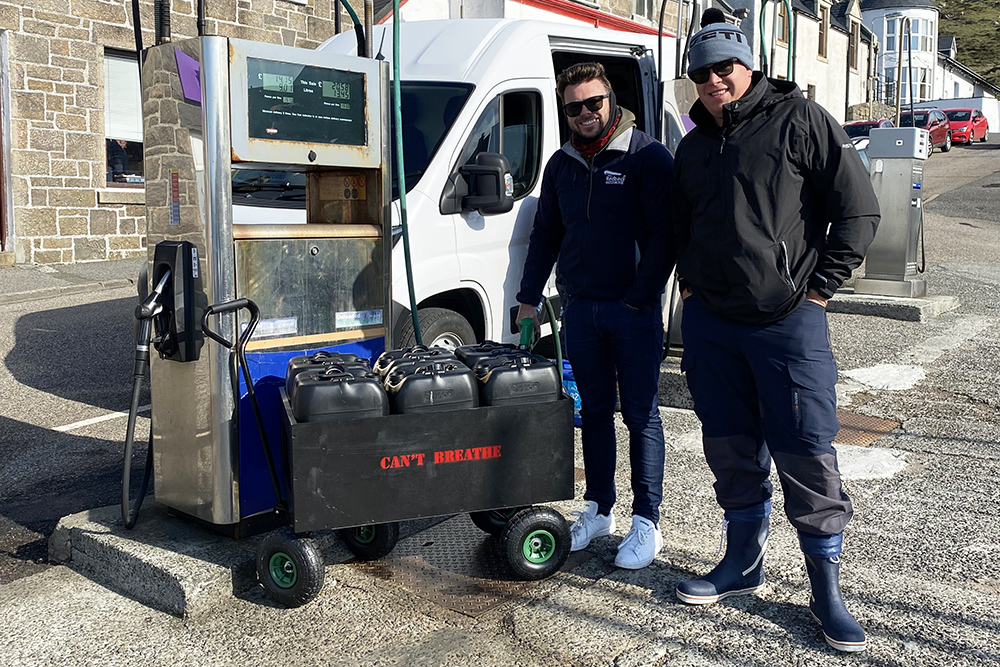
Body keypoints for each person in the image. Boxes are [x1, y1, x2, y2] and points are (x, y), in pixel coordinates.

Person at [671, 20, 879, 652]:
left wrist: (818, 291)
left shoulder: (800, 120)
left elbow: (859, 209)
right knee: (729, 442)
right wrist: (690, 287)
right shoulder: (693, 146)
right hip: (713, 324)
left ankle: (826, 589)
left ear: (748, 64)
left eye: (723, 68)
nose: (713, 82)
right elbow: (683, 223)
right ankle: (743, 562)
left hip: (786, 321)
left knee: (806, 445)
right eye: (701, 74)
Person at [516, 62, 675, 569]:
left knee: (641, 415)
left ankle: (647, 521)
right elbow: (546, 236)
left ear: (611, 101)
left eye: (594, 103)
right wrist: (527, 295)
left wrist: (640, 297)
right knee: (595, 414)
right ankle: (600, 508)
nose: (585, 113)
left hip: (633, 311)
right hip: (581, 311)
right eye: (574, 107)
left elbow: (666, 237)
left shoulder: (647, 157)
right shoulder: (560, 165)